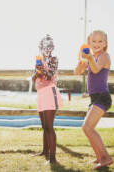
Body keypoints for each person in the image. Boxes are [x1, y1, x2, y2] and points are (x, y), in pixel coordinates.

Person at [74, 30, 113, 169]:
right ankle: (99, 156)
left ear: (105, 43)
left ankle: (106, 157)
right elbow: (77, 72)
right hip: (95, 97)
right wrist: (81, 61)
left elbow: (96, 70)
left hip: (102, 97)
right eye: (93, 41)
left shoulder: (104, 56)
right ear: (89, 43)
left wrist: (89, 58)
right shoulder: (91, 58)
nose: (96, 44)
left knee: (87, 127)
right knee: (87, 129)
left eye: (100, 41)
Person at [32, 34, 63, 164]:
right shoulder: (39, 59)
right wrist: (36, 71)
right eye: (45, 46)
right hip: (40, 93)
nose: (47, 48)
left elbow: (49, 76)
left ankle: (53, 158)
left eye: (50, 46)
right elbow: (35, 77)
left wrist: (41, 69)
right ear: (40, 47)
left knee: (49, 126)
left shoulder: (54, 59)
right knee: (44, 125)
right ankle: (45, 151)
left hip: (50, 92)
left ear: (53, 48)